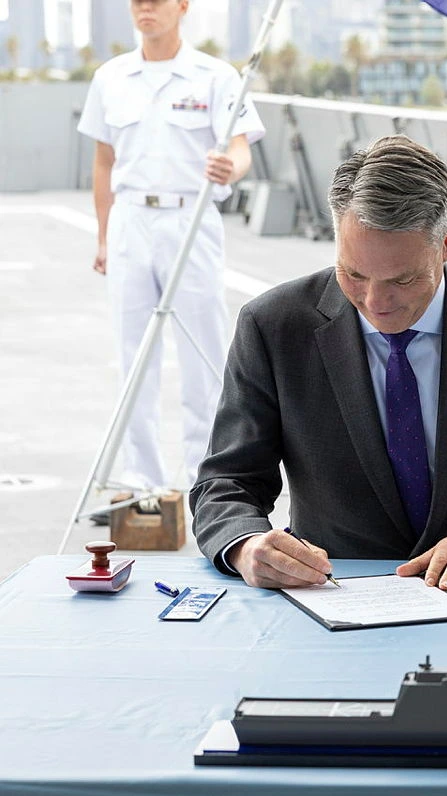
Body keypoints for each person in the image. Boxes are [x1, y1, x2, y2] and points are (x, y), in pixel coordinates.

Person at [190, 135, 447, 591]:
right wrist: (246, 546)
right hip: (331, 593)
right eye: (354, 274)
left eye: (403, 279)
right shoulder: (273, 326)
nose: (376, 304)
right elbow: (225, 482)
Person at [77, 0, 265, 493]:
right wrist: (102, 235)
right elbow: (103, 161)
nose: (145, 8)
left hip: (190, 215)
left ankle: (204, 483)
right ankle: (143, 484)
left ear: (182, 6)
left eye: (156, 0)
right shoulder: (112, 77)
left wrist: (232, 167)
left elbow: (241, 145)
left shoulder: (215, 76)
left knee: (203, 353)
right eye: (137, 1)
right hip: (130, 221)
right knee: (133, 356)